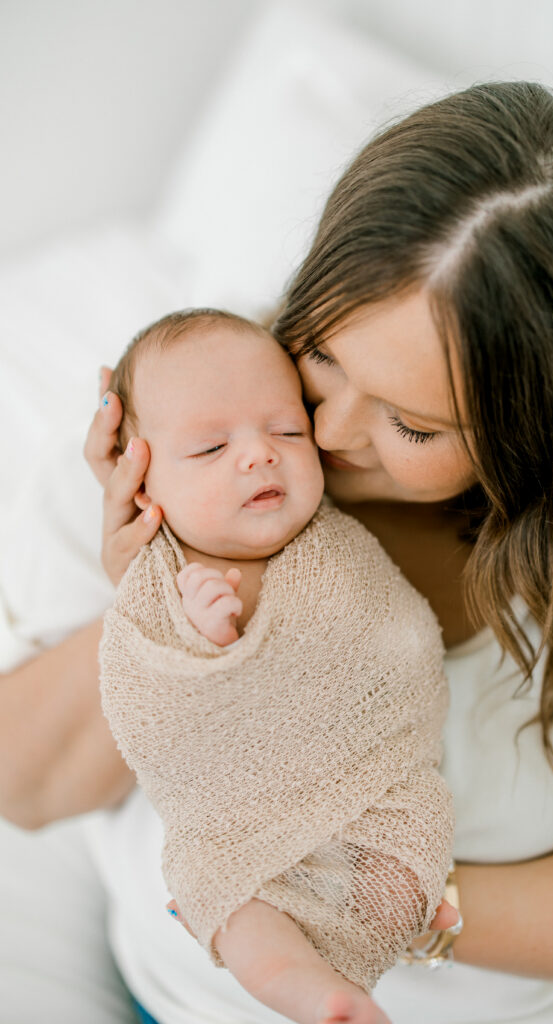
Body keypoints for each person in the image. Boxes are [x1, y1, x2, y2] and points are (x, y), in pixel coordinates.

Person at [1, 80, 553, 1024]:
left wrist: (384, 903)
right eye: (320, 354)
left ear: (542, 432)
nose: (323, 431)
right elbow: (23, 788)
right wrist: (153, 599)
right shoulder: (187, 413)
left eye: (409, 423)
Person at [99, 306, 454, 1024]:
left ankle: (358, 956)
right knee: (235, 902)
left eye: (286, 430)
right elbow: (158, 692)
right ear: (140, 479)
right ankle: (318, 997)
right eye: (207, 450)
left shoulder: (335, 550)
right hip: (237, 825)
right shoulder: (157, 574)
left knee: (403, 864)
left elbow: (396, 650)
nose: (260, 454)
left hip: (374, 795)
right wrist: (191, 629)